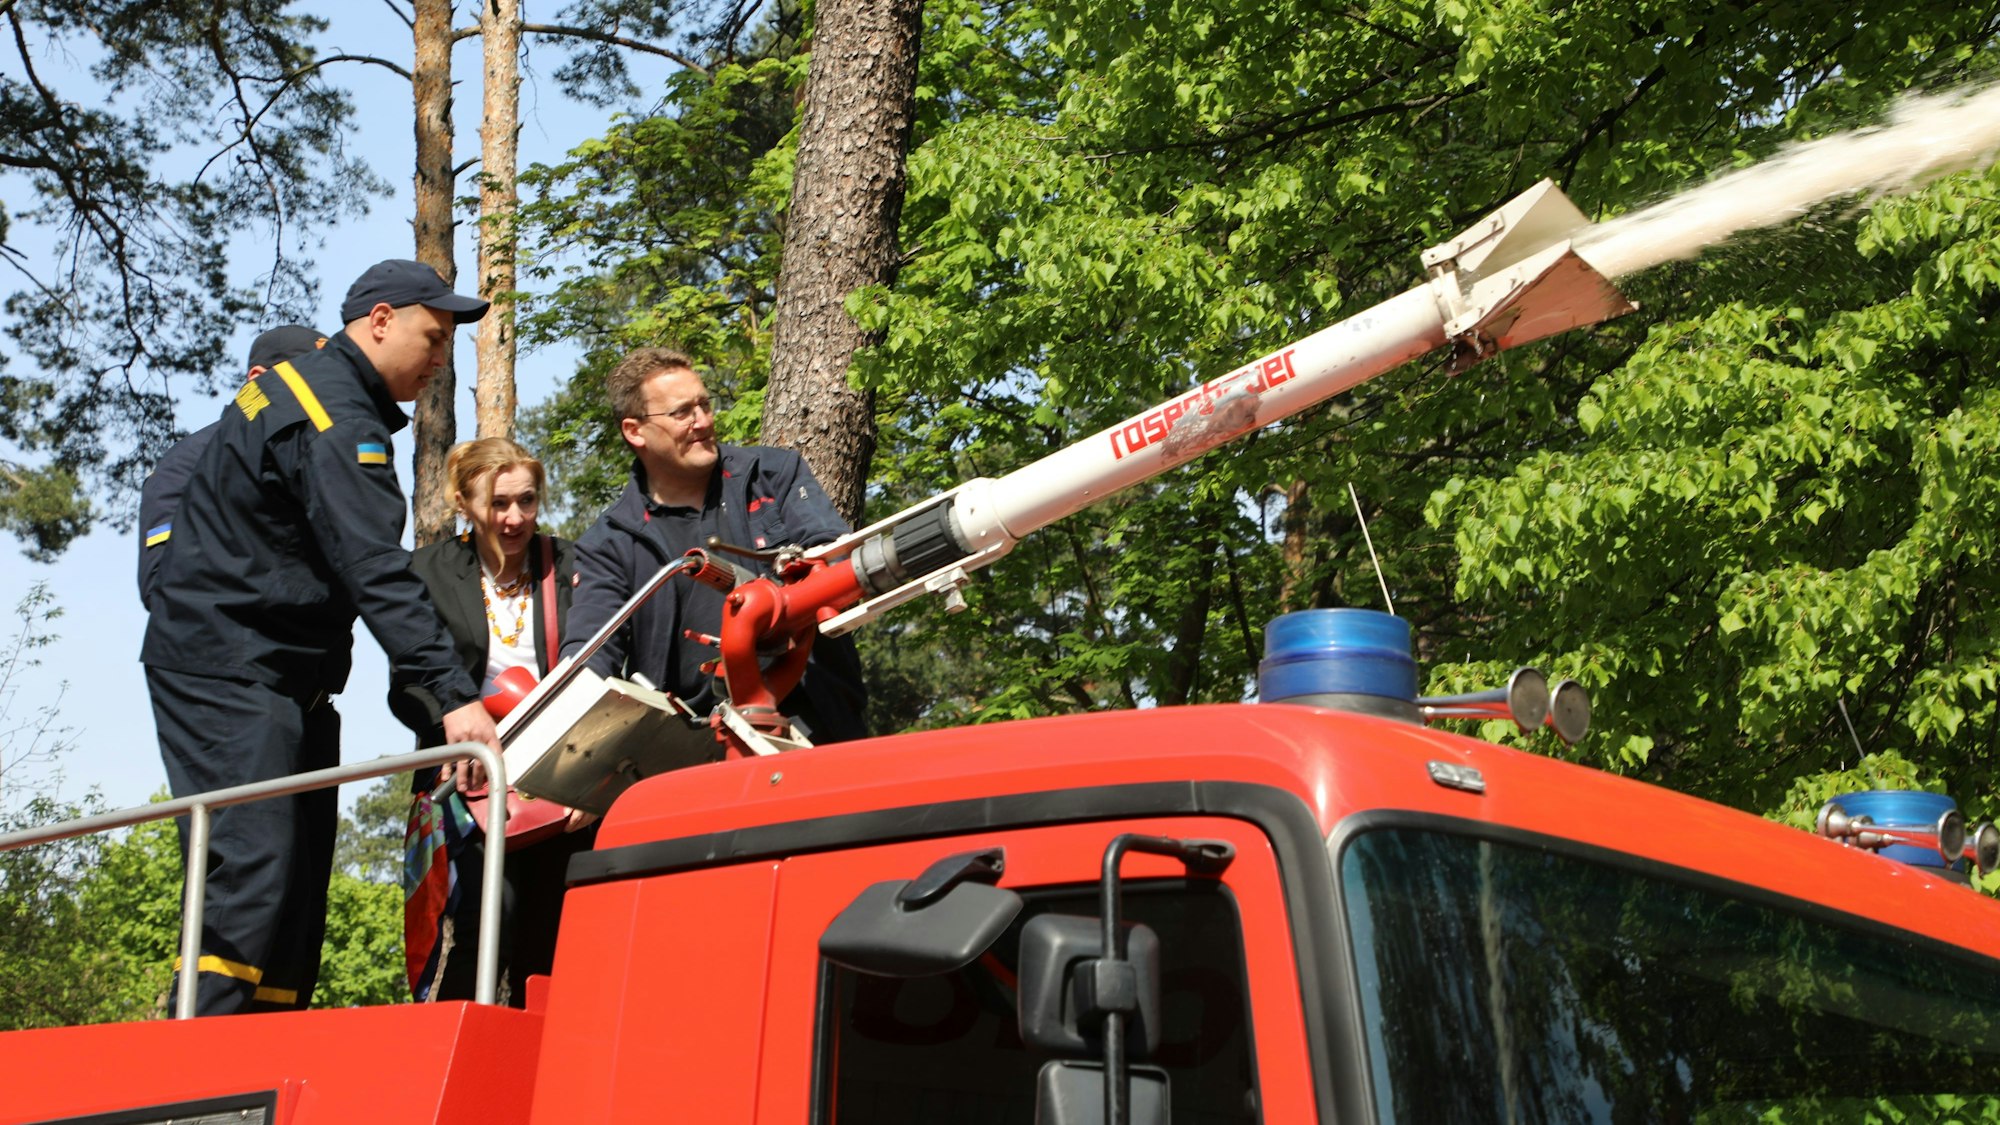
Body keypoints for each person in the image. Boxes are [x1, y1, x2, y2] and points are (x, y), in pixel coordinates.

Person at [140, 259, 501, 1016]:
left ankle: (268, 1059)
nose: (440, 361)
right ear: (379, 321)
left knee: (299, 889)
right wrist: (452, 697)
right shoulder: (329, 410)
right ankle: (195, 1079)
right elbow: (373, 566)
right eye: (432, 339)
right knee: (253, 867)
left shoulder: (333, 399)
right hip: (229, 669)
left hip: (293, 682)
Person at [561, 347, 868, 742]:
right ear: (634, 431)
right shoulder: (608, 544)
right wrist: (578, 751)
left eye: (705, 405)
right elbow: (589, 657)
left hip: (820, 729)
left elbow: (836, 558)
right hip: (698, 752)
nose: (703, 421)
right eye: (682, 413)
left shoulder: (774, 475)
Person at [390, 437, 592, 1005]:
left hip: (561, 774)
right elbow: (407, 685)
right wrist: (455, 732)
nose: (515, 518)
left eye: (527, 501)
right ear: (462, 503)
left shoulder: (571, 564)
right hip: (472, 777)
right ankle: (451, 1056)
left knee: (551, 938)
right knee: (486, 924)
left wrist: (590, 773)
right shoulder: (427, 572)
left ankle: (545, 1066)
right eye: (498, 504)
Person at [137, 325, 326, 609]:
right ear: (257, 380)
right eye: (306, 384)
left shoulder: (316, 464)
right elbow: (162, 584)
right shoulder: (189, 462)